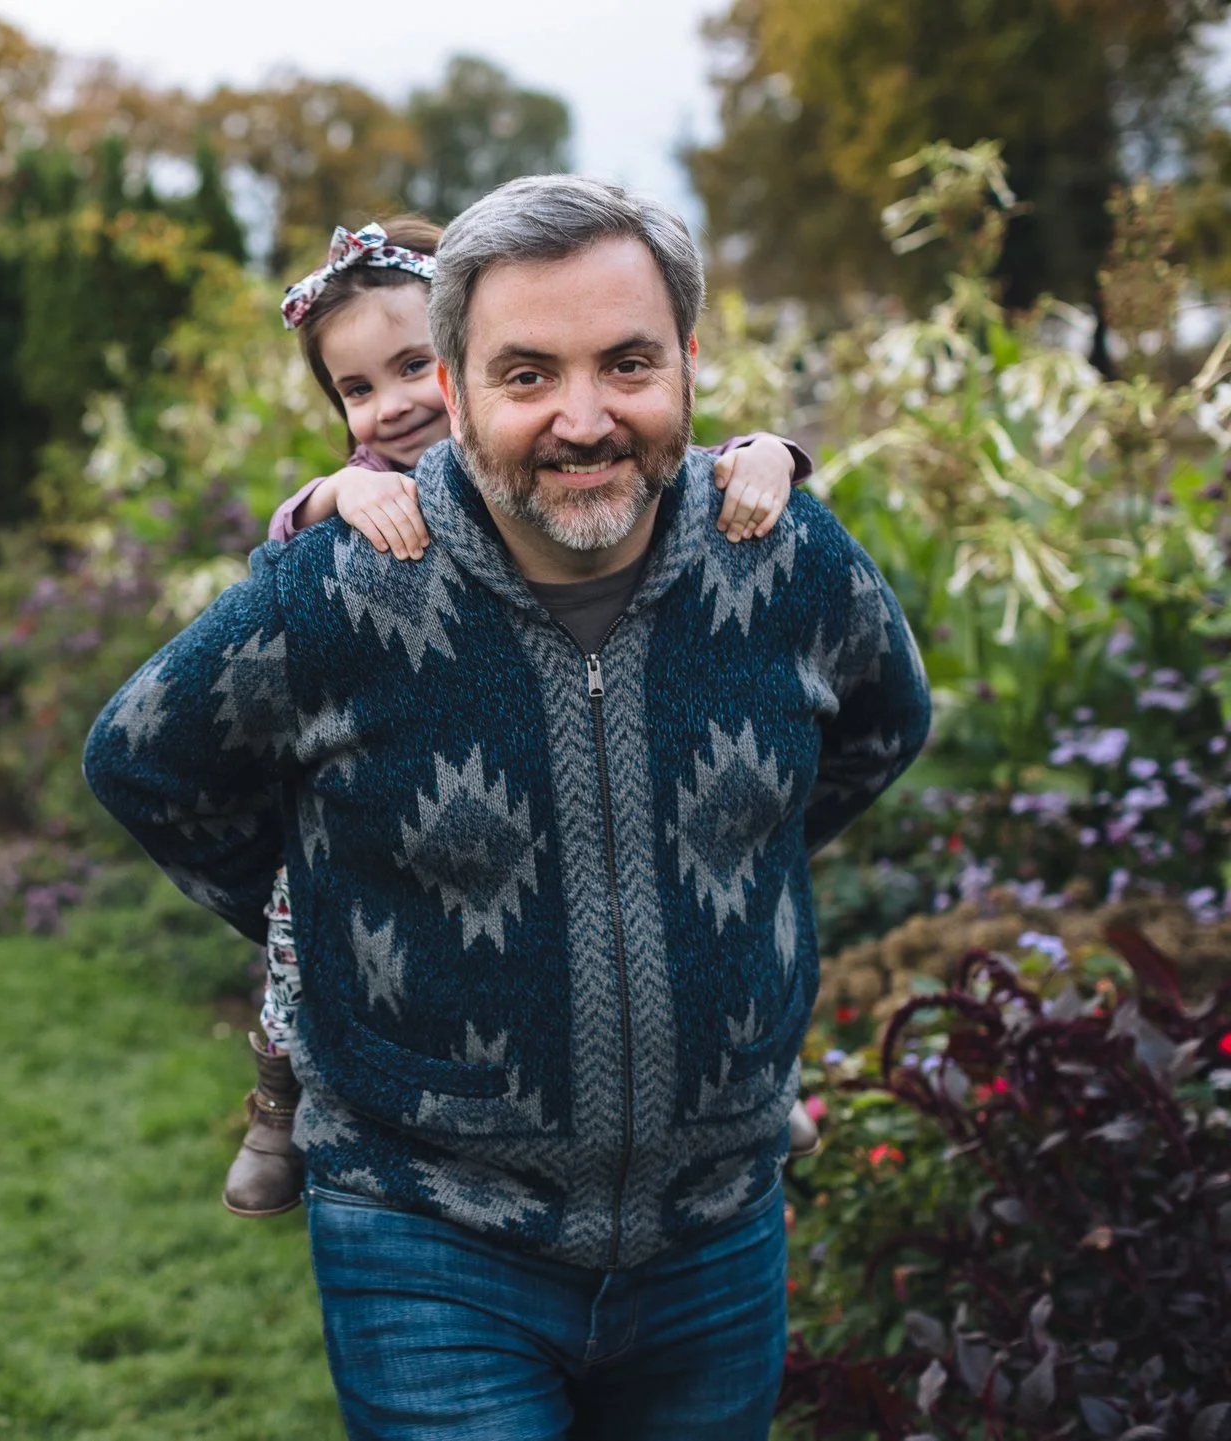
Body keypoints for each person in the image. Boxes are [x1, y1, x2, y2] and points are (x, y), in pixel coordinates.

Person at [85, 176, 931, 1438]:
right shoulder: (344, 586)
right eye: (528, 374)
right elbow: (145, 761)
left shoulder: (784, 555)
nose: (583, 418)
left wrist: (710, 873)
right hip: (426, 1233)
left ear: (690, 365)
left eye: (628, 365)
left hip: (717, 1232)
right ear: (464, 383)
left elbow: (884, 724)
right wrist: (338, 908)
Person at [223, 215, 816, 1221]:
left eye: (413, 366)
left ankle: (764, 1091)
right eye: (357, 390)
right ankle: (281, 1100)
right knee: (303, 926)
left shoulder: (578, 455)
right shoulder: (363, 496)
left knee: (721, 884)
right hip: (423, 818)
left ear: (463, 363)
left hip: (598, 770)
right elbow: (277, 566)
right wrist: (329, 499)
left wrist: (770, 456)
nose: (394, 406)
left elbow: (686, 452)